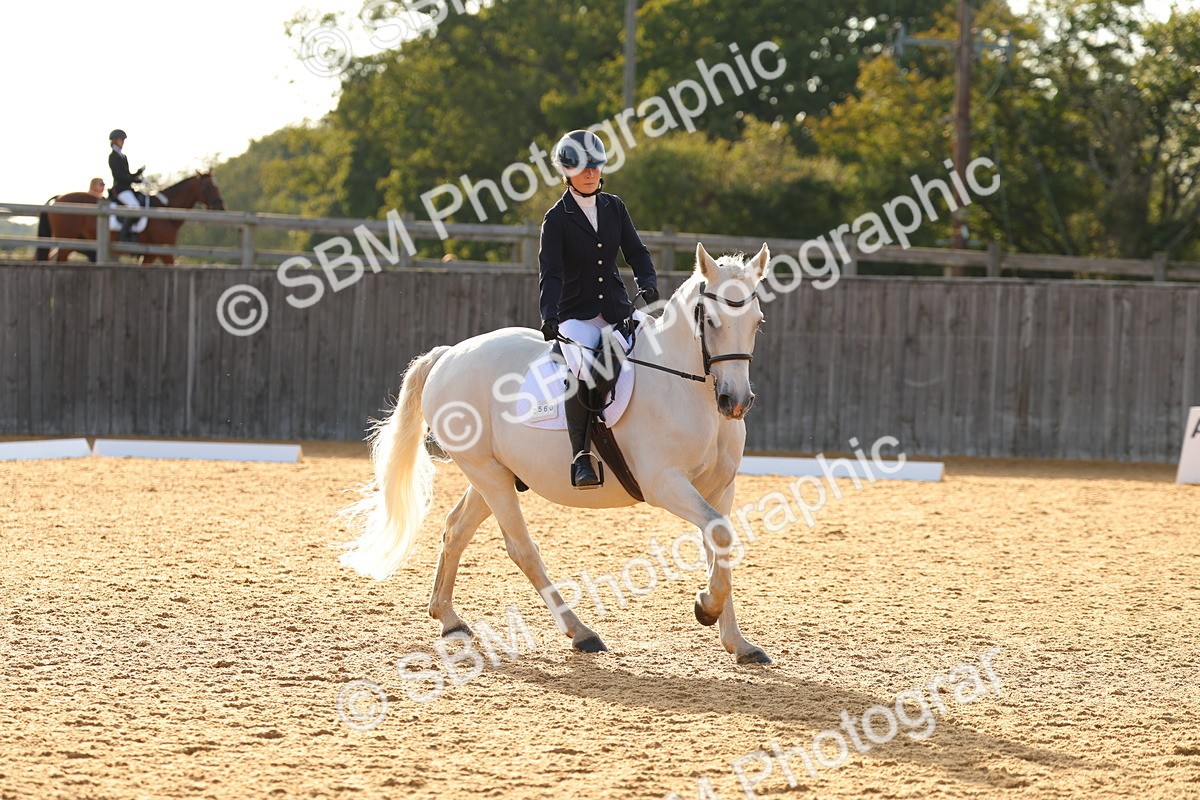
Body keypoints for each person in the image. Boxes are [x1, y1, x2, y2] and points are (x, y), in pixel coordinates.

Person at [537, 129, 659, 489]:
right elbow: (551, 272)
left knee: (659, 344)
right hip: (577, 314)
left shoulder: (614, 207)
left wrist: (647, 282)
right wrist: (549, 315)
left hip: (618, 308)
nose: (591, 173)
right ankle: (582, 456)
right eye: (582, 167)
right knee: (585, 368)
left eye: (596, 166)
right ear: (567, 172)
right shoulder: (556, 218)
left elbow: (636, 252)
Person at [107, 129, 146, 242]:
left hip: (128, 188)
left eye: (123, 140)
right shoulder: (113, 156)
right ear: (114, 141)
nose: (122, 142)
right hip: (120, 189)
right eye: (121, 140)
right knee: (135, 207)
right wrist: (136, 180)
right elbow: (119, 176)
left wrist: (137, 173)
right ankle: (124, 235)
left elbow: (127, 174)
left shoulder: (123, 156)